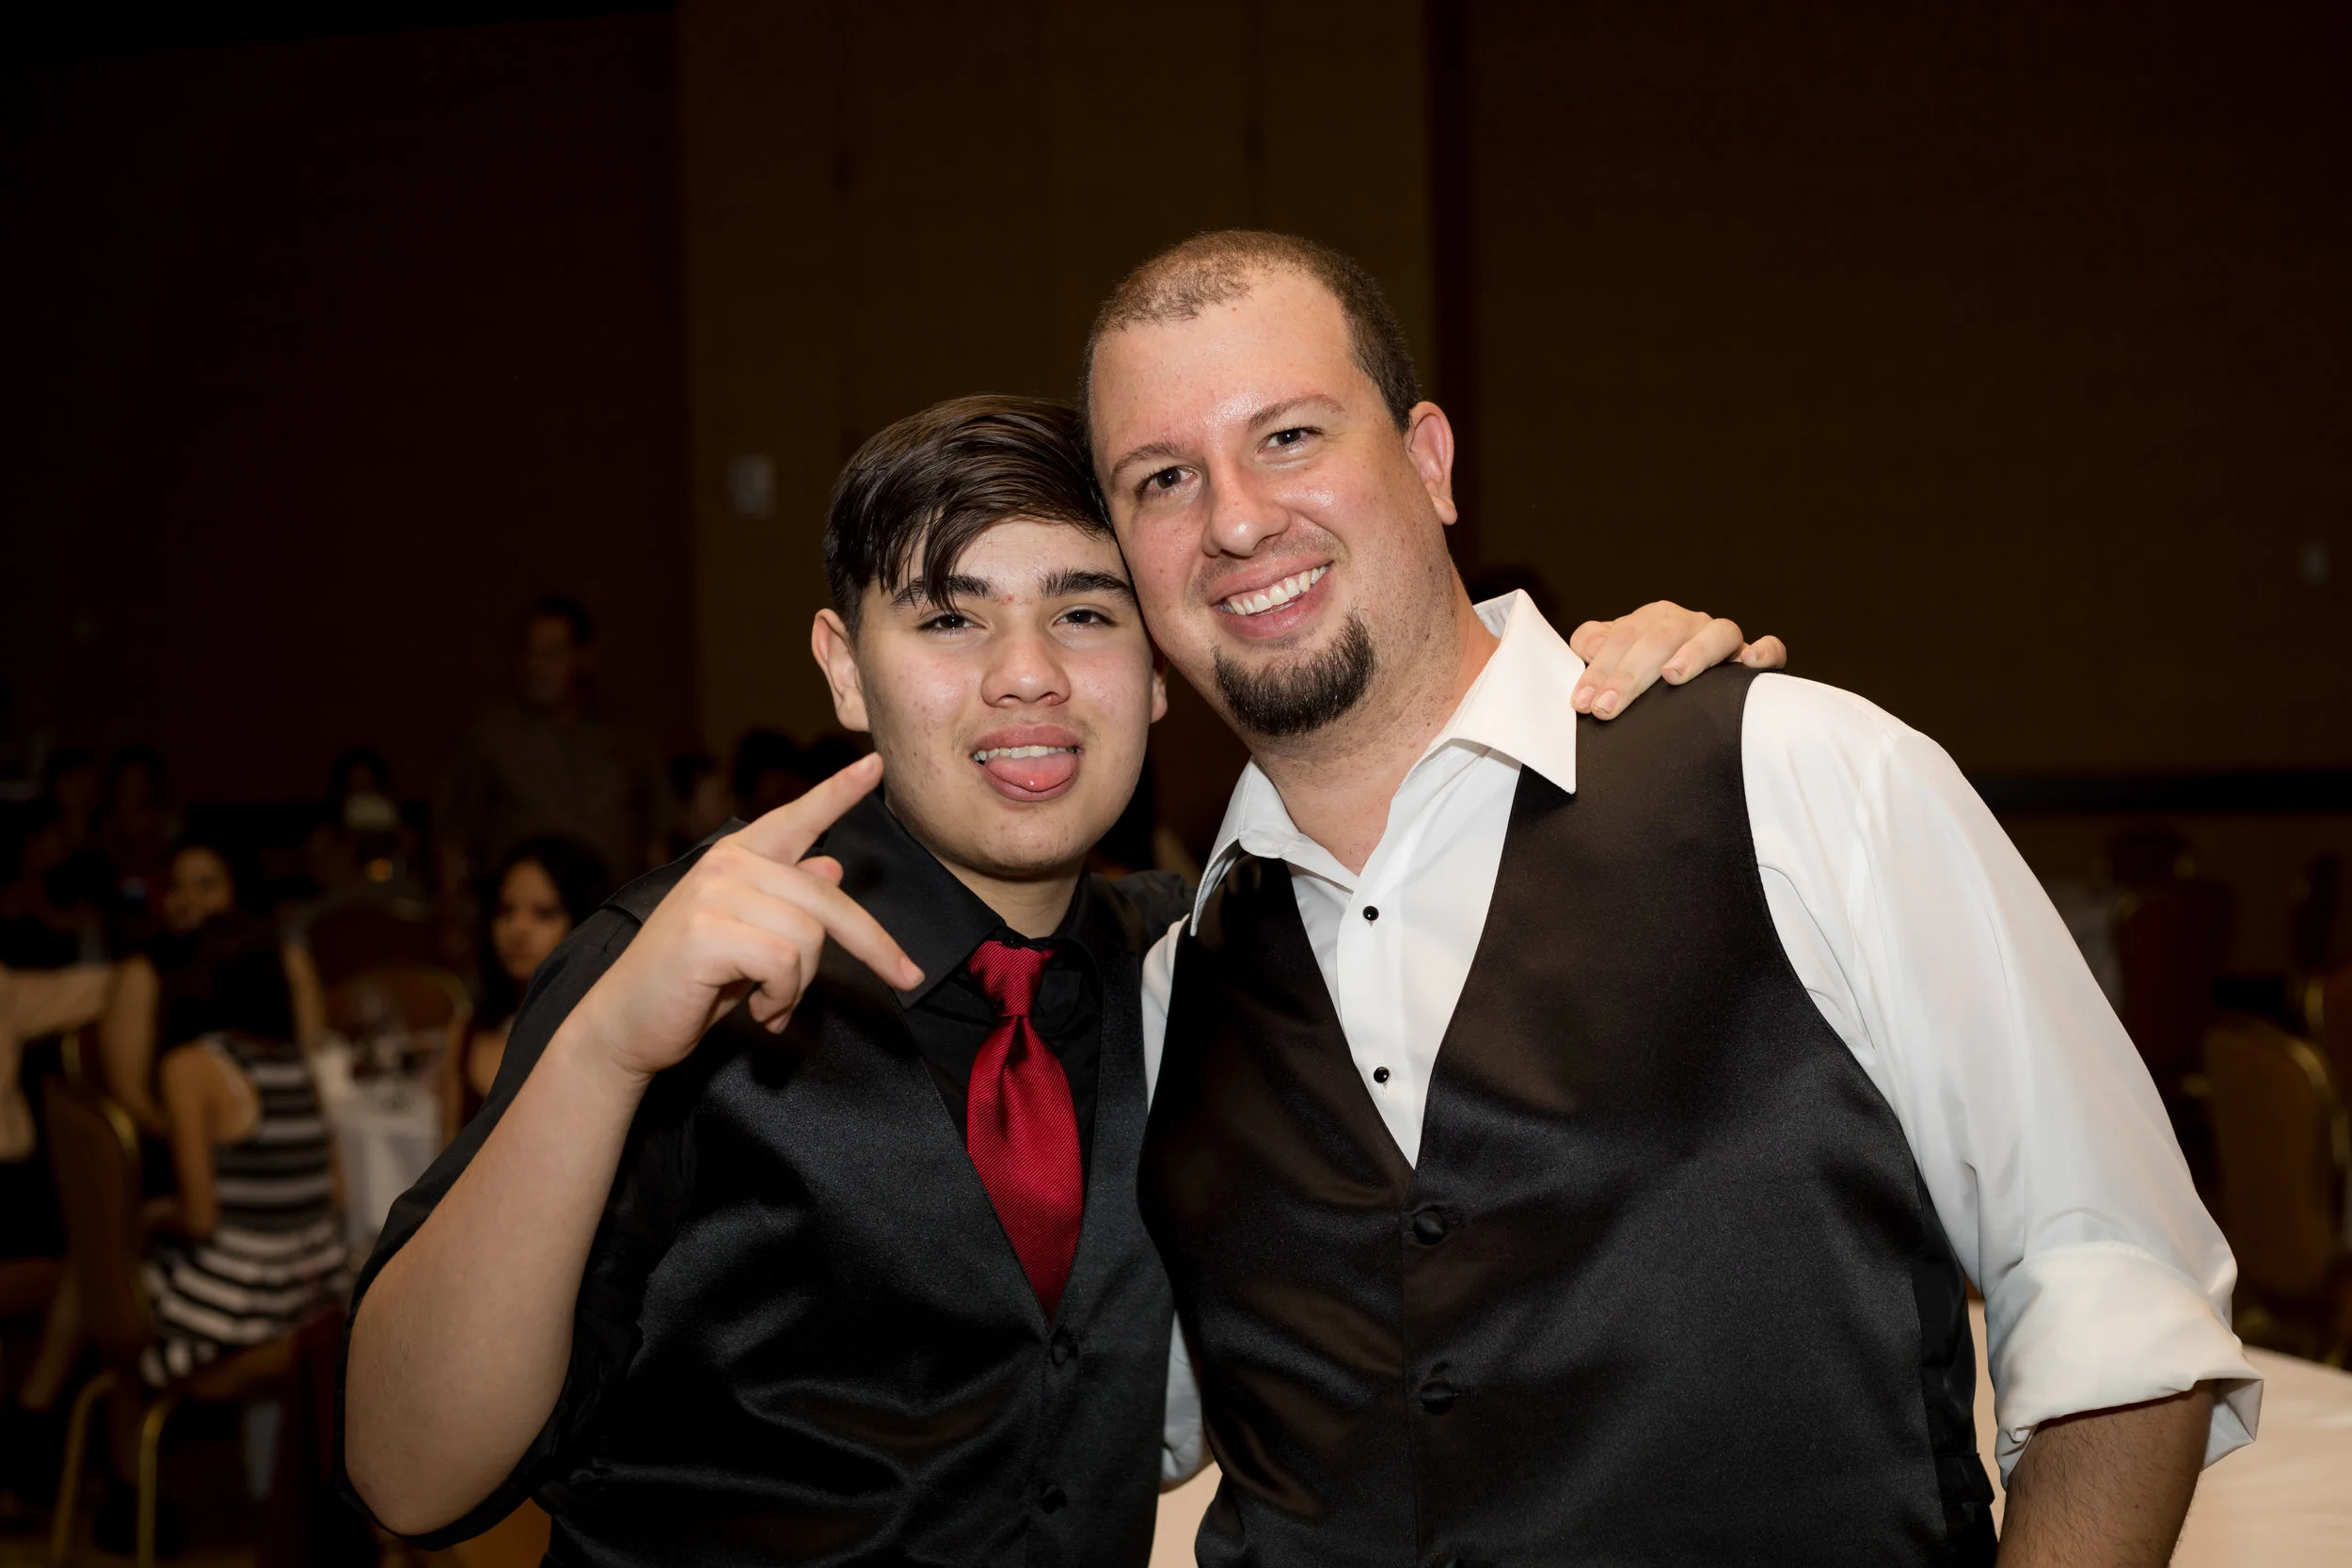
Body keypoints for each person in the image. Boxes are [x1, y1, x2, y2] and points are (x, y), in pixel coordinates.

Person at [338, 393, 1775, 1563]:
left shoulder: (1209, 964)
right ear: (845, 666)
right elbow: (408, 1473)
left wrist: (1613, 699)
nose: (1025, 674)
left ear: (1159, 668)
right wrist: (602, 1050)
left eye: (1086, 614)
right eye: (949, 618)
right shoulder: (678, 965)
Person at [1083, 231, 2256, 1566]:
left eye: (1289, 435)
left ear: (1429, 459)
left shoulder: (1800, 774)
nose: (1236, 519)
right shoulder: (1170, 993)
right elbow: (1066, 1427)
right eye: (1162, 478)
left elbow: (2118, 1302)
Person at [436, 595, 675, 896]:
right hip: (522, 911)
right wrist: (453, 908)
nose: (538, 666)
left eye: (553, 653)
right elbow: (454, 836)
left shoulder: (628, 739)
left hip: (614, 911)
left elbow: (657, 840)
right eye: (530, 652)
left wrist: (660, 906)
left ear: (583, 657)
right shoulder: (490, 738)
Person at [447, 834, 611, 1140]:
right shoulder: (468, 1033)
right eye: (505, 911)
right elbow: (444, 1159)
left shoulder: (604, 1035)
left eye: (544, 913)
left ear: (585, 924)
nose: (518, 928)